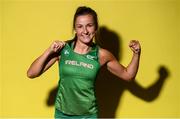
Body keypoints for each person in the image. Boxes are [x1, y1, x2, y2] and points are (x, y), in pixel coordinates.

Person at [27, 6, 141, 119]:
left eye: (89, 25)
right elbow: (31, 73)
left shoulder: (101, 55)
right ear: (75, 29)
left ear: (95, 27)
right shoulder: (63, 49)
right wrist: (49, 51)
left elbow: (128, 75)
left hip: (88, 116)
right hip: (62, 115)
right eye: (80, 26)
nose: (85, 31)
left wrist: (136, 53)